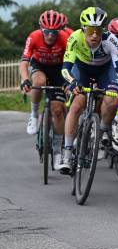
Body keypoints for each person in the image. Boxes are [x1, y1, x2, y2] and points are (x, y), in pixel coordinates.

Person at [58, 7, 118, 172]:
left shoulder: (111, 40)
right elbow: (65, 68)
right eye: (90, 31)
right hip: (81, 70)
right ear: (83, 29)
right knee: (76, 104)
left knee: (111, 101)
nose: (94, 35)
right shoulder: (74, 38)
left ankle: (101, 131)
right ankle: (67, 154)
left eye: (98, 30)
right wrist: (73, 82)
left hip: (105, 70)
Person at [19, 9, 70, 170]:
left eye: (54, 32)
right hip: (39, 66)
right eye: (47, 32)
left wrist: (70, 81)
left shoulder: (65, 38)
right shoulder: (34, 37)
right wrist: (25, 79)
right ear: (42, 29)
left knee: (57, 110)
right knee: (39, 81)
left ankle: (57, 153)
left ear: (59, 31)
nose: (50, 36)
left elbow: (72, 63)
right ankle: (34, 114)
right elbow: (24, 62)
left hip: (59, 70)